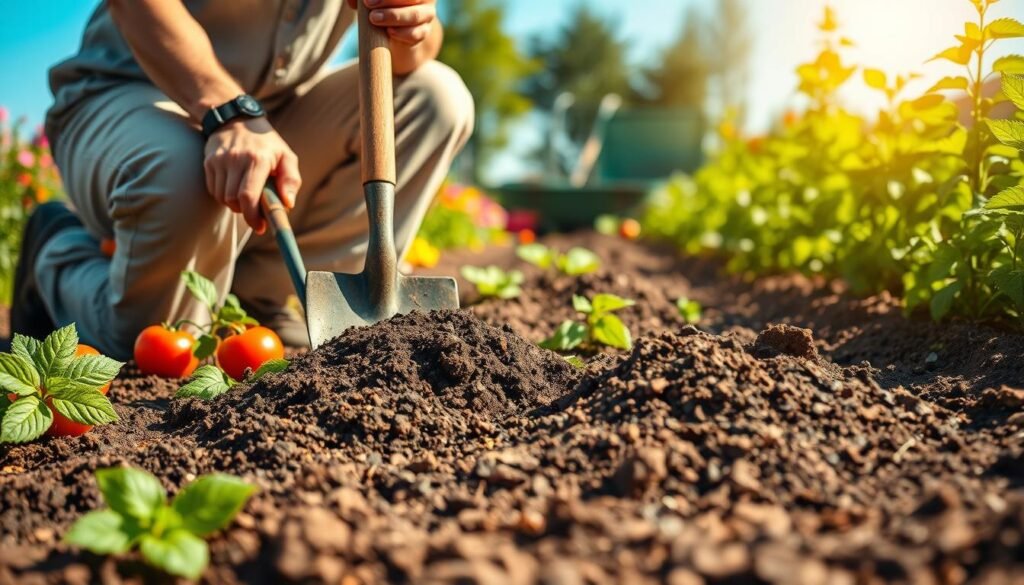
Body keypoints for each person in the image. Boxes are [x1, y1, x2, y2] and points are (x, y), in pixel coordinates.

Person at [12, 0, 473, 357]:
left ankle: (258, 295)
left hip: (276, 114)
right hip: (126, 93)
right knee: (157, 341)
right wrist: (227, 112)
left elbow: (415, 55)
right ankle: (57, 255)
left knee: (436, 99)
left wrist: (413, 25)